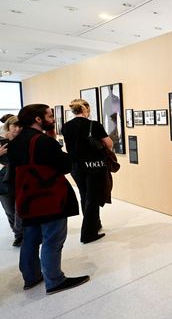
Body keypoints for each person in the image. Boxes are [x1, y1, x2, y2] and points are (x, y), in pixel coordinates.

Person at [7, 104, 89, 294]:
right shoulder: (44, 141)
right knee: (53, 239)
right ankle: (55, 280)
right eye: (50, 116)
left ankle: (32, 277)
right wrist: (56, 145)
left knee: (30, 239)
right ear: (38, 119)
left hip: (27, 199)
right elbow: (65, 166)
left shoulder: (16, 142)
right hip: (49, 198)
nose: (53, 119)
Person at [61, 99, 113, 244]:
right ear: (86, 109)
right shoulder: (94, 125)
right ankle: (88, 233)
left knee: (85, 195)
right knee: (93, 197)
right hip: (94, 165)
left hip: (75, 166)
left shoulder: (66, 126)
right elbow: (109, 144)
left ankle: (94, 223)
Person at [0, 115, 22, 246]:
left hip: (20, 178)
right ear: (8, 126)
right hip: (3, 180)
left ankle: (20, 234)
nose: (18, 129)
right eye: (15, 126)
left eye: (20, 126)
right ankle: (18, 234)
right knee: (9, 210)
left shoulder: (23, 141)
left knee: (19, 209)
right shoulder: (1, 141)